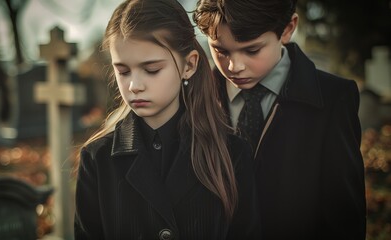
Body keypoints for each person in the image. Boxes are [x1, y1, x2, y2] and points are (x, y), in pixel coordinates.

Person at [74, 0, 260, 239]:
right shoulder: (96, 159)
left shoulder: (233, 155)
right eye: (123, 71)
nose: (134, 86)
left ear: (189, 65)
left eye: (151, 69)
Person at [193, 0, 366, 239]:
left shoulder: (333, 98)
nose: (235, 66)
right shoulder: (192, 100)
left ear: (287, 28)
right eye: (221, 51)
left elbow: (343, 216)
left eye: (252, 50)